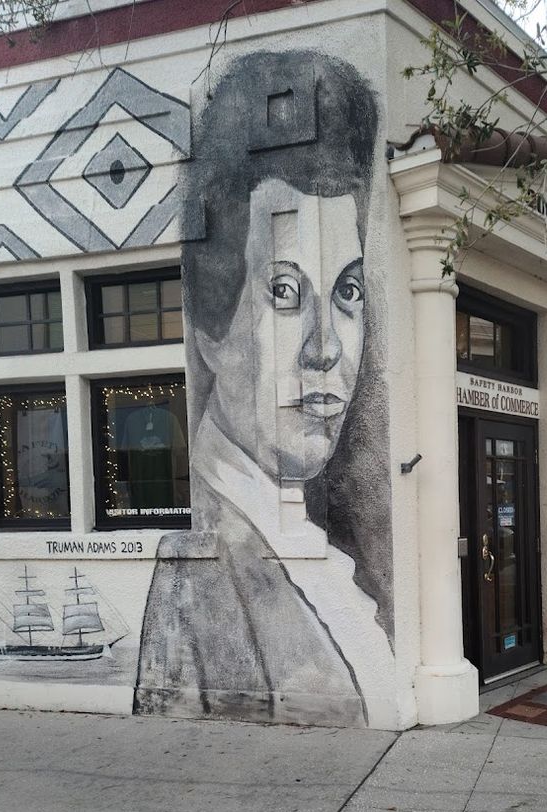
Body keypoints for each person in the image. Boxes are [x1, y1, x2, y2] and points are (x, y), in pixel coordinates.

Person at [134, 51, 394, 727]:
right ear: (213, 329)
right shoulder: (202, 579)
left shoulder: (303, 547)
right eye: (285, 292)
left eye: (347, 291)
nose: (325, 347)